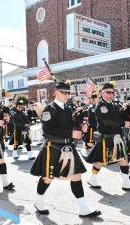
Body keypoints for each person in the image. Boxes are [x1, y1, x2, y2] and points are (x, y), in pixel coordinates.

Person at [30, 81, 101, 218]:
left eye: (68, 93)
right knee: (47, 178)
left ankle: (84, 208)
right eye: (63, 92)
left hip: (68, 147)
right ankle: (39, 202)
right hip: (53, 147)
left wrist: (80, 127)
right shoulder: (49, 110)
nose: (66, 95)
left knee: (77, 176)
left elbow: (72, 125)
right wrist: (70, 133)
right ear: (55, 92)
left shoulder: (68, 108)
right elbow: (48, 131)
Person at [85, 83, 130, 192]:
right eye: (108, 92)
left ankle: (126, 183)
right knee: (99, 162)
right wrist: (123, 123)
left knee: (123, 159)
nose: (111, 94)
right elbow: (107, 121)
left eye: (112, 92)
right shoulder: (101, 105)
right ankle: (92, 179)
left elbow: (120, 115)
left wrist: (128, 108)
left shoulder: (113, 104)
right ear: (102, 93)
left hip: (116, 137)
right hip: (106, 138)